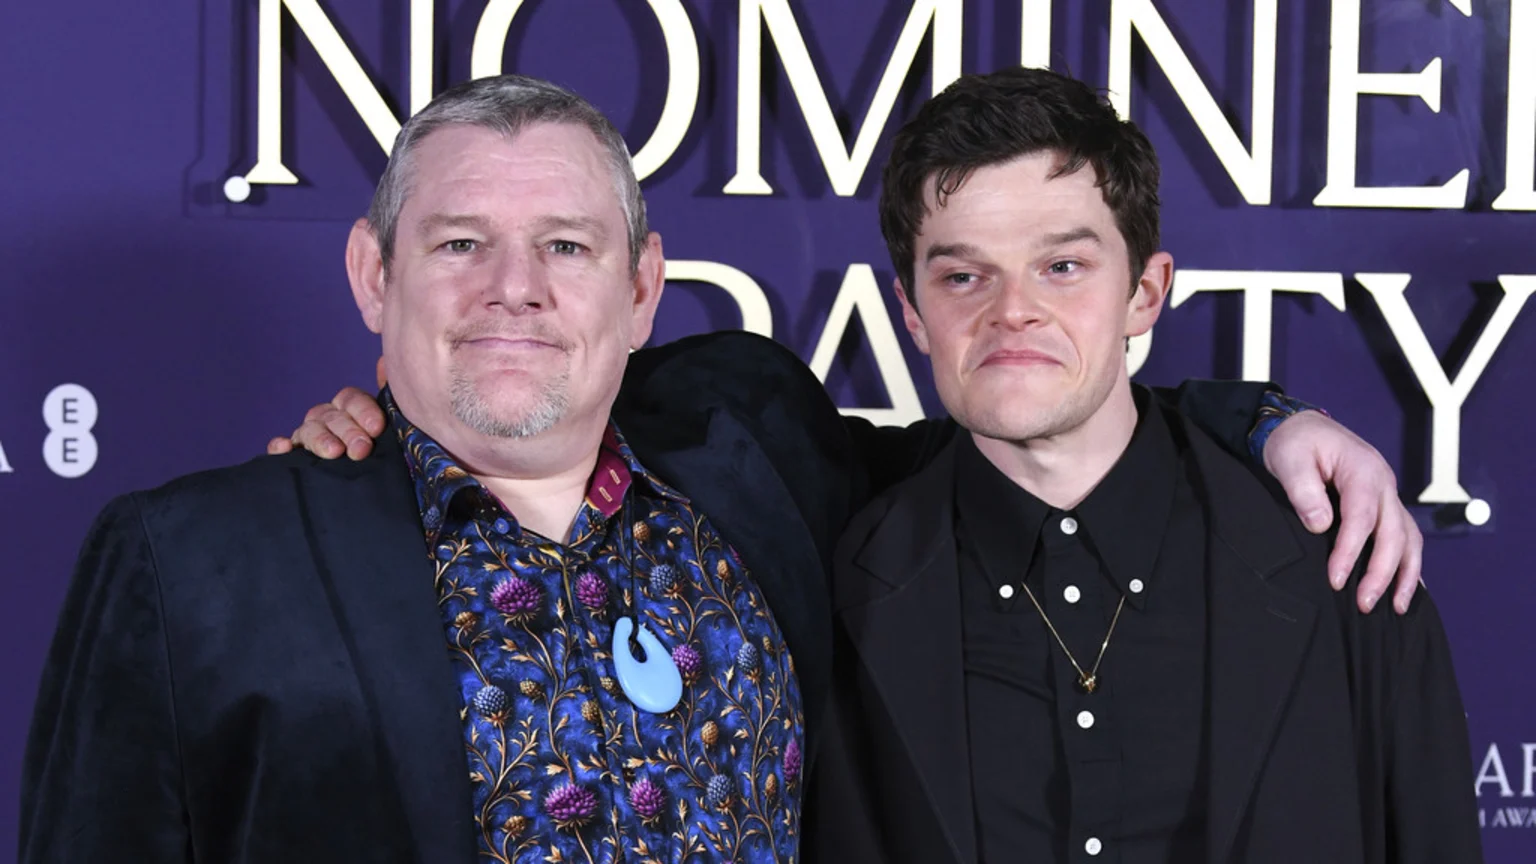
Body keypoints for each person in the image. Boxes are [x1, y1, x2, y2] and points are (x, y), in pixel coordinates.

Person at [23, 74, 1419, 864]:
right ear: (373, 274)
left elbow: (1030, 412)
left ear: (642, 290)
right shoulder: (200, 561)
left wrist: (1264, 419)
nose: (514, 288)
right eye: (458, 245)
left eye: (565, 247)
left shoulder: (757, 456)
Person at [806, 66, 1480, 864]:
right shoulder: (834, 581)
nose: (1011, 309)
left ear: (1145, 294)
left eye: (1062, 267)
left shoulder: (1343, 565)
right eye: (963, 276)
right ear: (913, 314)